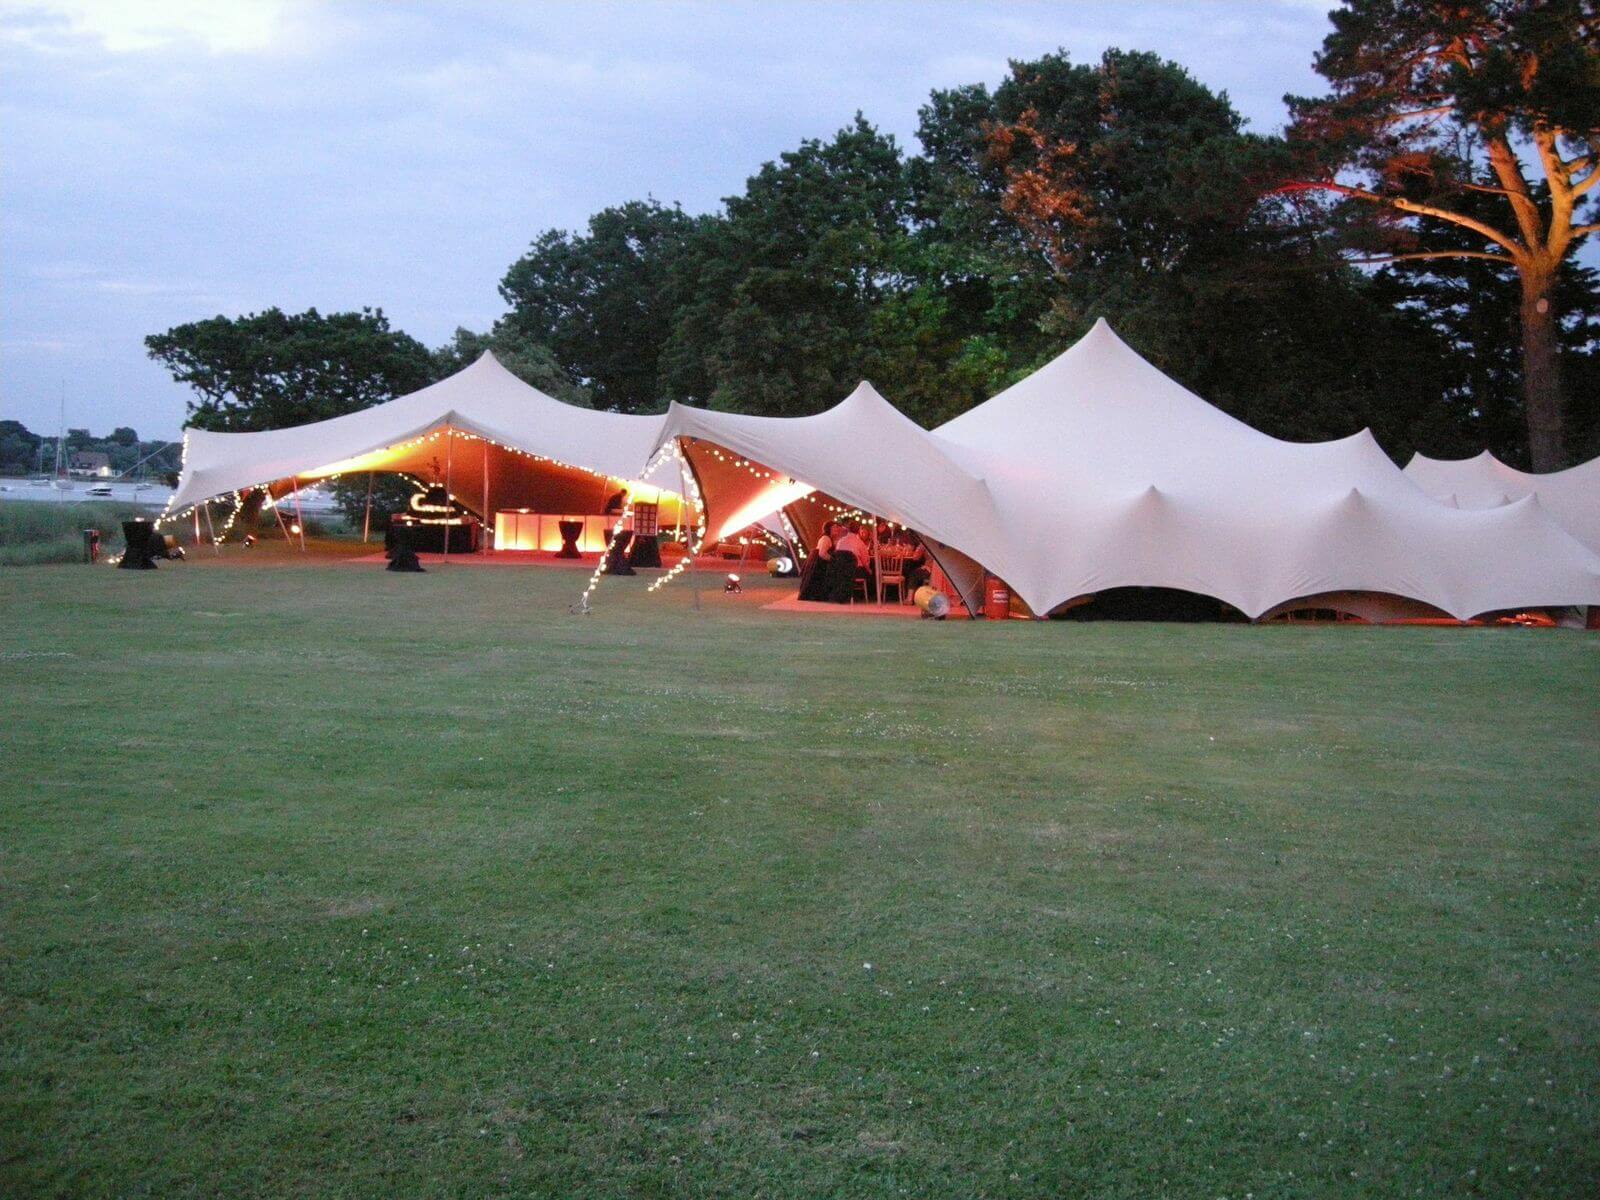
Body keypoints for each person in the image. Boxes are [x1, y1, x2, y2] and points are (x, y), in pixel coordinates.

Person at [829, 523, 870, 603]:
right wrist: (869, 570)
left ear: (848, 529)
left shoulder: (840, 541)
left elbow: (837, 555)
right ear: (858, 531)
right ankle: (865, 597)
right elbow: (865, 560)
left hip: (840, 570)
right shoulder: (860, 543)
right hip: (854, 571)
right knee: (870, 573)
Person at [796, 522, 837, 601]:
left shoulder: (828, 538)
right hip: (820, 564)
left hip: (819, 562)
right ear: (829, 528)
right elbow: (822, 554)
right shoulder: (826, 538)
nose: (836, 529)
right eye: (834, 527)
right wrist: (833, 560)